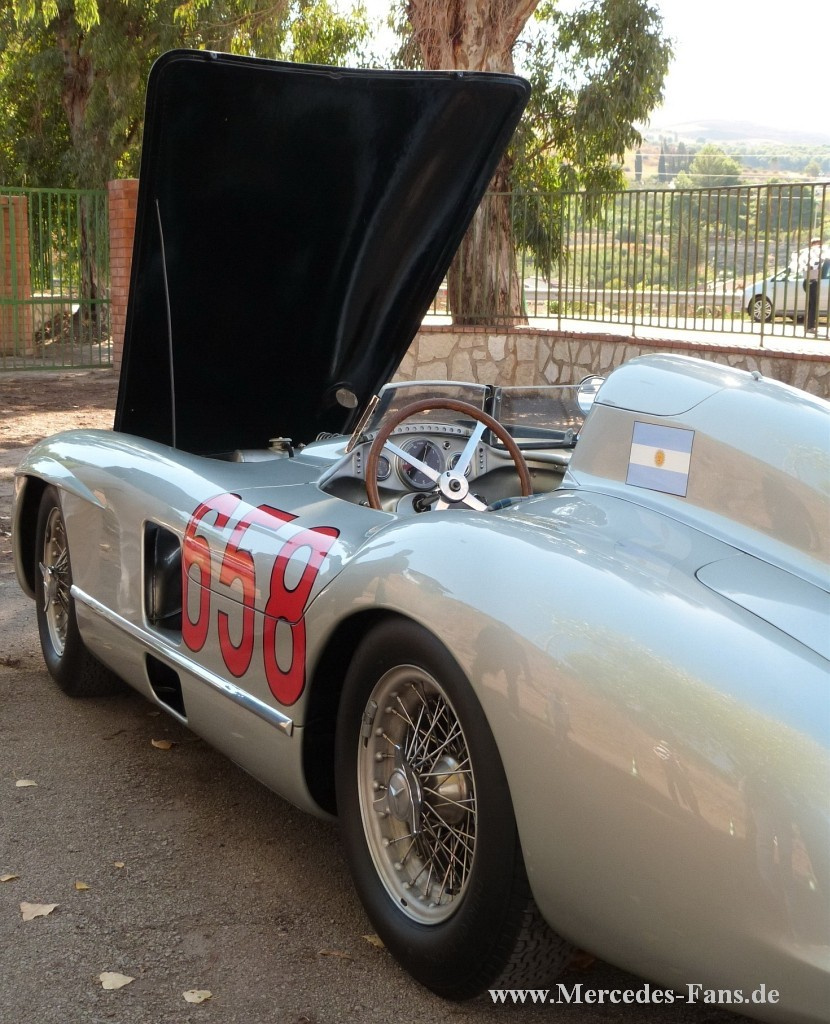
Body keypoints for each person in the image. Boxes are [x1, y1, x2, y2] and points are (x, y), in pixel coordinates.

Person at [804, 237, 823, 335]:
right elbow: (808, 268)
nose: (819, 246)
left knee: (811, 304)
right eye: (817, 244)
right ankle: (810, 327)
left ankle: (809, 325)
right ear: (812, 245)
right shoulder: (809, 256)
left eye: (820, 244)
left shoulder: (818, 256)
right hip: (810, 281)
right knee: (813, 304)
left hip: (813, 281)